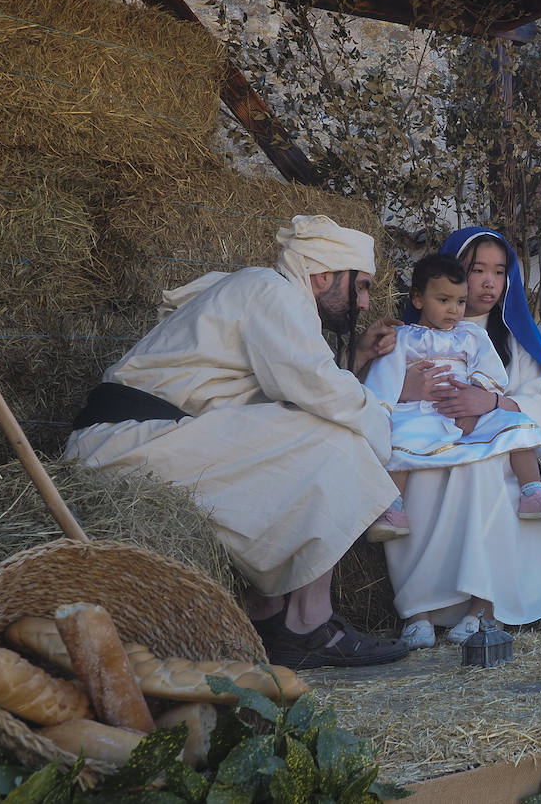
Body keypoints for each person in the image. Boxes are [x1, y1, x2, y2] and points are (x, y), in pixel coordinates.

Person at [64, 215, 410, 669]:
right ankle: (308, 624)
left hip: (150, 438)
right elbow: (319, 388)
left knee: (300, 443)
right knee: (335, 436)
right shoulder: (272, 291)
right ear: (324, 274)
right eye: (360, 286)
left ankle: (267, 615)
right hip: (127, 443)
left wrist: (358, 363)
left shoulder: (266, 295)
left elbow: (292, 389)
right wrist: (381, 426)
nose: (365, 303)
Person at [385, 227, 541, 650]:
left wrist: (492, 401)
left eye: (499, 271)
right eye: (477, 269)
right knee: (410, 471)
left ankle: (480, 605)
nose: (488, 282)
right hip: (430, 432)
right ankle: (419, 607)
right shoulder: (413, 337)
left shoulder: (514, 337)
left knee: (481, 473)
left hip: (490, 439)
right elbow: (383, 388)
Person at [364, 254, 541, 520]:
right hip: (420, 410)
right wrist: (384, 410)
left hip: (466, 411)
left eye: (460, 301)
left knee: (514, 424)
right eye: (443, 300)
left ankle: (533, 492)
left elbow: (489, 371)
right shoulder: (402, 337)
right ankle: (393, 508)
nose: (454, 310)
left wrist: (473, 408)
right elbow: (385, 376)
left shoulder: (471, 334)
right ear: (418, 299)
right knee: (399, 439)